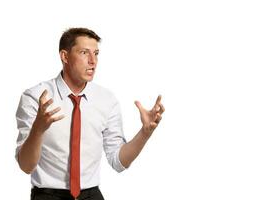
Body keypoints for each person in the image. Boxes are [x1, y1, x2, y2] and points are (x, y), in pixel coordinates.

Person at [15, 27, 165, 200]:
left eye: (96, 53)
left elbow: (119, 161)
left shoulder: (107, 100)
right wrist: (38, 129)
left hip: (91, 195)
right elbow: (26, 166)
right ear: (64, 56)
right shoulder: (35, 97)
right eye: (84, 53)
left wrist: (145, 133)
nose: (93, 61)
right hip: (47, 195)